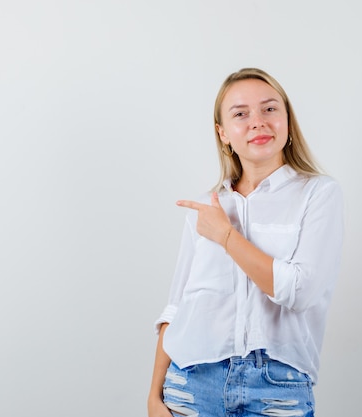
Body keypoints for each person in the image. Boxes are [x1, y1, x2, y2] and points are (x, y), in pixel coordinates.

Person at [147, 68, 344, 417]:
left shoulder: (318, 194)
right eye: (241, 114)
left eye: (270, 109)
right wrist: (153, 395)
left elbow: (300, 291)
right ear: (223, 133)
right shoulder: (205, 207)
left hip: (276, 387)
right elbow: (176, 305)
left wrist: (226, 236)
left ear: (287, 121)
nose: (258, 121)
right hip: (189, 383)